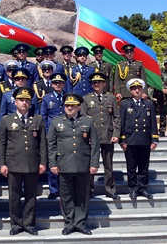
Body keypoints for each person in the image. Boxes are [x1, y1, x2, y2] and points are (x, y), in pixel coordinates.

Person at [48, 93, 100, 236]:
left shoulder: (88, 122)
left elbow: (95, 144)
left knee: (83, 195)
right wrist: (52, 163)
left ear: (78, 107)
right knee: (66, 195)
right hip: (64, 164)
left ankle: (81, 222)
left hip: (83, 164)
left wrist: (94, 163)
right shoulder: (56, 122)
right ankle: (69, 222)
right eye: (67, 105)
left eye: (72, 105)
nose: (69, 108)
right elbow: (51, 145)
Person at [0, 87, 47, 236]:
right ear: (15, 102)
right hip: (13, 163)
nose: (24, 103)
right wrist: (2, 163)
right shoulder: (7, 120)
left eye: (27, 100)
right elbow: (2, 143)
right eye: (21, 100)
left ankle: (29, 224)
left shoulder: (37, 120)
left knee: (31, 195)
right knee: (14, 196)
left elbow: (42, 143)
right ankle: (16, 224)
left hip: (32, 162)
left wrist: (43, 162)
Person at [81, 72, 121, 199]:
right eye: (94, 82)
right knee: (91, 164)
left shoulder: (111, 98)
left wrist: (116, 134)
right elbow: (83, 118)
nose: (96, 84)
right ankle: (89, 189)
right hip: (92, 137)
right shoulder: (86, 99)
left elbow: (116, 118)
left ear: (104, 84)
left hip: (108, 136)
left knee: (108, 165)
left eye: (99, 82)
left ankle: (110, 189)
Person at [119, 78, 158, 200]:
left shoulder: (149, 104)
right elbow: (122, 123)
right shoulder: (125, 104)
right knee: (131, 167)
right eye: (134, 88)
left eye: (139, 88)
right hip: (130, 140)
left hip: (144, 140)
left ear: (142, 90)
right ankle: (133, 189)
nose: (137, 90)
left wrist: (155, 139)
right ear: (130, 91)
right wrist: (122, 140)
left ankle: (143, 188)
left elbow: (153, 122)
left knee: (143, 166)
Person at [40, 72, 67, 199]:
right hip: (52, 133)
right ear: (52, 84)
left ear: (64, 84)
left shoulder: (68, 97)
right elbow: (43, 117)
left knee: (65, 160)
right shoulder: (47, 98)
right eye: (55, 83)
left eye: (60, 83)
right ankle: (53, 189)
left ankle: (64, 187)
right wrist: (46, 132)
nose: (58, 85)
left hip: (66, 133)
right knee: (52, 160)